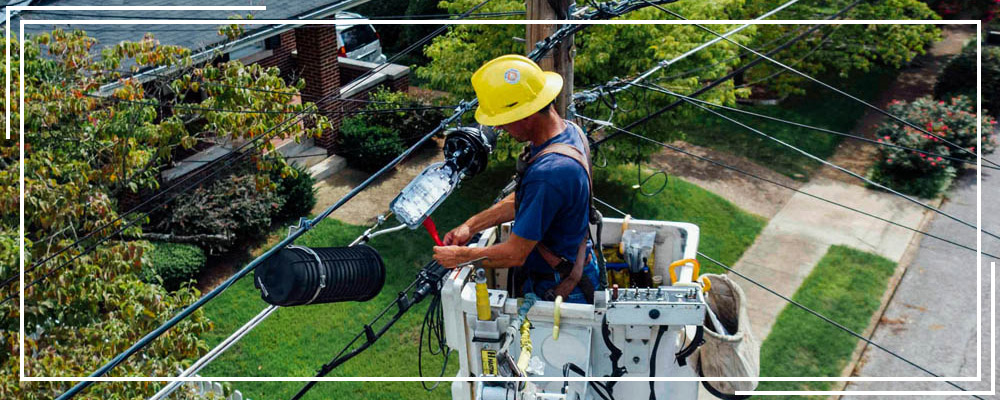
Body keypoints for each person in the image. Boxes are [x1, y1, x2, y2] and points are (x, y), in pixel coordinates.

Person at [432, 54, 600, 304]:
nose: (499, 129)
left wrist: (460, 256)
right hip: (573, 267)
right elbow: (525, 201)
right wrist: (471, 225)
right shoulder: (569, 132)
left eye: (502, 121)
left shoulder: (550, 173)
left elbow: (514, 254)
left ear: (525, 114)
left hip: (560, 288)